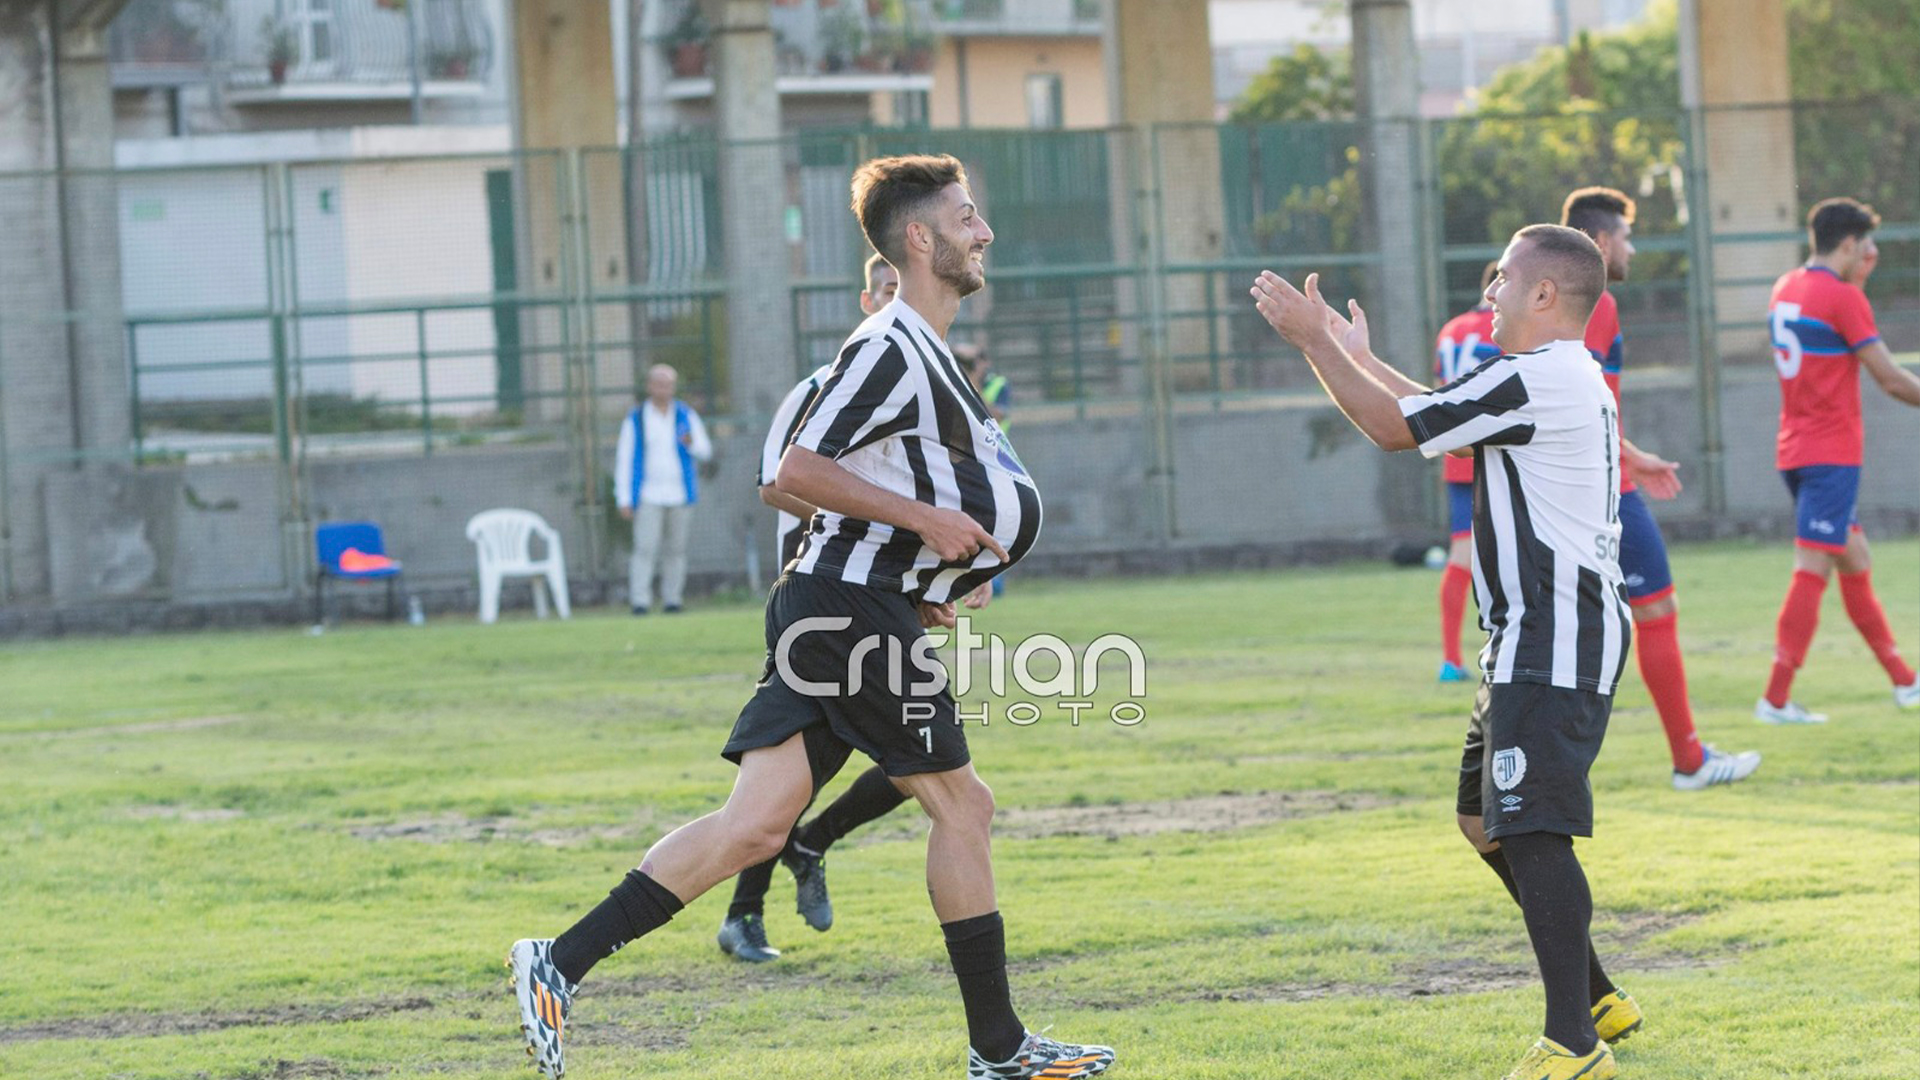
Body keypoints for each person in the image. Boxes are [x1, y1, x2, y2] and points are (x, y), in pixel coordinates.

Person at [510, 154, 1113, 1080]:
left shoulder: (928, 354)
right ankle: (1000, 1051)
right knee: (963, 806)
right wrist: (927, 526)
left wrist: (929, 581)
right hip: (844, 612)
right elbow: (796, 472)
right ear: (921, 238)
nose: (983, 230)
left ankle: (557, 961)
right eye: (967, 216)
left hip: (849, 606)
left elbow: (886, 483)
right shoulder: (891, 348)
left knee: (754, 827)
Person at [1252, 225, 1637, 1080]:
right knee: (1483, 821)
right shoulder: (1548, 376)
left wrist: (1316, 343)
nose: (1490, 290)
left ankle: (1573, 1043)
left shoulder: (1538, 377)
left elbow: (1395, 430)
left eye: (1502, 277)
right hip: (1527, 639)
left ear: (1544, 296)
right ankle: (1598, 995)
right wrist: (1361, 357)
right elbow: (1432, 414)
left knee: (1532, 828)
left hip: (1552, 637)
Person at [714, 252, 911, 963]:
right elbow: (776, 484)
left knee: (914, 764)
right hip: (819, 605)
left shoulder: (928, 395)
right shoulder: (821, 387)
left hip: (888, 604)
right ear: (868, 301)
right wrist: (877, 521)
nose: (900, 301)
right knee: (794, 776)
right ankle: (744, 914)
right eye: (890, 291)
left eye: (909, 290)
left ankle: (811, 843)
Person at [1560, 188, 1760, 789]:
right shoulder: (1594, 302)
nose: (1633, 247)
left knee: (1575, 626)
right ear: (1599, 243)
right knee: (1654, 611)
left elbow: (1578, 401)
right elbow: (1573, 400)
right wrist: (1621, 461)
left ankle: (1681, 754)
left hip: (1592, 476)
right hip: (1596, 488)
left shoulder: (1564, 303)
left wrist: (1634, 453)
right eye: (1626, 234)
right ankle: (1688, 760)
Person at [1756, 197, 1920, 723]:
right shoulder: (1842, 297)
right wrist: (1857, 291)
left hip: (1796, 449)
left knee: (1855, 559)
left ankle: (1905, 683)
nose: (1872, 252)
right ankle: (1775, 700)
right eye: (1866, 244)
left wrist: (1859, 285)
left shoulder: (1789, 286)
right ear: (1847, 243)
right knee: (1812, 569)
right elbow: (1892, 379)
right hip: (1830, 454)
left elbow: (1835, 333)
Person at [1432, 261, 1502, 683]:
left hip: (1454, 453)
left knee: (1463, 554)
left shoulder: (1449, 329)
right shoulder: (1502, 330)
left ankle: (1450, 658)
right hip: (1492, 450)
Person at [613, 364, 712, 615]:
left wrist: (691, 444)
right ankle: (640, 601)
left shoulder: (685, 415)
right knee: (645, 548)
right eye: (658, 384)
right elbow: (624, 459)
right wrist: (624, 497)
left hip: (680, 493)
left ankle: (672, 599)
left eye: (668, 384)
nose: (663, 389)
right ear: (649, 386)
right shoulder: (636, 418)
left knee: (676, 549)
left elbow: (704, 450)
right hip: (648, 494)